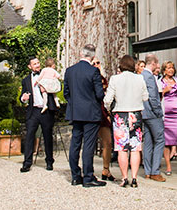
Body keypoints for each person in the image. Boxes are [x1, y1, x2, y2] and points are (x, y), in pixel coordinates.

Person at [64, 44, 107, 187]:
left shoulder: (70, 71)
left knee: (75, 144)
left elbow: (66, 93)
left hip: (76, 112)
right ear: (93, 56)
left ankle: (75, 176)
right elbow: (99, 94)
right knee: (88, 145)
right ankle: (88, 176)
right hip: (90, 112)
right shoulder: (93, 71)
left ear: (81, 54)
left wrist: (75, 104)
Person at [104, 54, 149, 187]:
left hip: (120, 114)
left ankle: (124, 178)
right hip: (135, 113)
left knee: (122, 148)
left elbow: (107, 100)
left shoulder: (115, 79)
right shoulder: (139, 78)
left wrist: (109, 109)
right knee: (135, 148)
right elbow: (145, 97)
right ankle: (134, 178)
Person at [20, 56, 56, 172]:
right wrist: (23, 98)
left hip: (46, 110)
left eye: (38, 63)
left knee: (47, 136)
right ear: (29, 66)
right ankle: (27, 163)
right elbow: (23, 96)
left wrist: (47, 88)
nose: (37, 65)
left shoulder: (47, 75)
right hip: (33, 111)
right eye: (34, 64)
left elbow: (56, 87)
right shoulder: (26, 80)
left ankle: (49, 161)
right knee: (29, 136)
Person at [140, 54, 166, 181]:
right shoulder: (149, 77)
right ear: (154, 63)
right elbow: (153, 97)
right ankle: (155, 171)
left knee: (148, 141)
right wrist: (158, 111)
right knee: (160, 140)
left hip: (144, 113)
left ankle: (147, 171)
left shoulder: (141, 75)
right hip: (152, 113)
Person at [159, 61, 177, 176]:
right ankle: (168, 166)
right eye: (168, 68)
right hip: (165, 115)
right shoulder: (159, 82)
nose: (170, 70)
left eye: (172, 68)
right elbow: (156, 97)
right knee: (166, 141)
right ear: (164, 70)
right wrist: (164, 91)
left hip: (176, 115)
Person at [93, 59, 116, 181]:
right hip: (92, 113)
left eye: (98, 63)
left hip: (102, 113)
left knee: (108, 142)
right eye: (94, 63)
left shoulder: (103, 79)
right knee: (90, 143)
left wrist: (107, 113)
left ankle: (106, 169)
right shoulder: (89, 78)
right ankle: (89, 170)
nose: (96, 65)